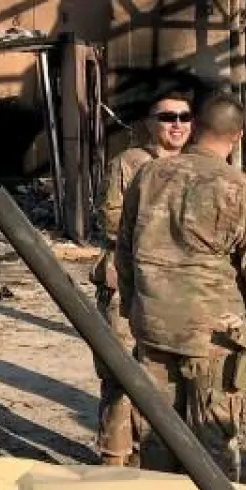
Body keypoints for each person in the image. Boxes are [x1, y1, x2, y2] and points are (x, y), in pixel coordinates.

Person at [115, 91, 246, 480]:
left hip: (154, 329)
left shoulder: (148, 175)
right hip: (214, 341)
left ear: (195, 126)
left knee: (157, 439)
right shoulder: (243, 190)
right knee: (213, 444)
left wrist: (133, 308)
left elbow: (124, 252)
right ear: (238, 136)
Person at [91, 90, 193, 466]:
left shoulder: (196, 167)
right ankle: (113, 459)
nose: (177, 124)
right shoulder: (129, 163)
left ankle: (150, 456)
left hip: (175, 291)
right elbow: (111, 218)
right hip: (127, 282)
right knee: (120, 374)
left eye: (184, 116)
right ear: (150, 123)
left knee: (163, 379)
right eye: (168, 117)